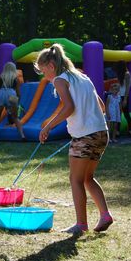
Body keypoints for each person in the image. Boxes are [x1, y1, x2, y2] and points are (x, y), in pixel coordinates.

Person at [36, 44, 113, 234]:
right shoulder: (82, 77)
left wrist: (48, 126)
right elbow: (101, 106)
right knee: (87, 178)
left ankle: (81, 224)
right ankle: (105, 215)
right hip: (101, 133)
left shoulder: (60, 80)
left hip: (84, 136)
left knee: (75, 179)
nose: (44, 76)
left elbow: (69, 107)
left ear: (51, 65)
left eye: (43, 71)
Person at [0, 62, 26, 142]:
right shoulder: (16, 79)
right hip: (12, 93)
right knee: (15, 117)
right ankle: (22, 135)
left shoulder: (0, 77)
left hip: (1, 93)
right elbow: (18, 93)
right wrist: (17, 102)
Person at [114, 61, 131, 136]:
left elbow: (128, 88)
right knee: (118, 114)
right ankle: (117, 131)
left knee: (126, 114)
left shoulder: (127, 74)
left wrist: (125, 99)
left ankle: (130, 129)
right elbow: (121, 86)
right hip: (119, 96)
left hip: (124, 96)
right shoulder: (121, 74)